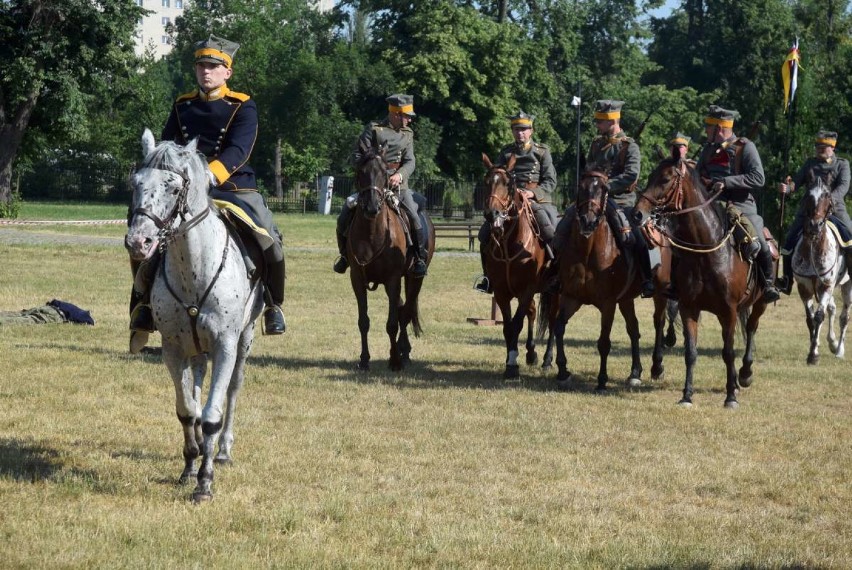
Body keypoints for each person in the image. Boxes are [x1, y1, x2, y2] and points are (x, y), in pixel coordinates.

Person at [128, 35, 286, 354]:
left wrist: (209, 175)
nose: (205, 72)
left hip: (231, 186)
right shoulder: (182, 104)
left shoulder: (242, 105)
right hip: (183, 191)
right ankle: (143, 305)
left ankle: (272, 305)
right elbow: (167, 147)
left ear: (227, 71)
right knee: (146, 233)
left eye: (214, 66)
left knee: (269, 238)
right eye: (201, 66)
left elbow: (240, 149)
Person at [551, 99, 654, 298]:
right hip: (593, 200)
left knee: (635, 236)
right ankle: (555, 274)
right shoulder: (597, 144)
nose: (597, 125)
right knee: (562, 228)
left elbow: (631, 175)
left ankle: (646, 279)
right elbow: (590, 169)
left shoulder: (629, 146)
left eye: (601, 121)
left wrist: (608, 185)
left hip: (620, 200)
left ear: (612, 121)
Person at [333, 94, 428, 277]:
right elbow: (356, 157)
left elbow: (410, 162)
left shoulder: (407, 134)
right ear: (396, 114)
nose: (409, 119)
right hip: (371, 185)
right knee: (344, 214)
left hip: (398, 186)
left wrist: (399, 175)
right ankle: (344, 257)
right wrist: (373, 161)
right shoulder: (374, 129)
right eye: (407, 116)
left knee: (414, 217)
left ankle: (419, 258)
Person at [696, 104, 780, 302]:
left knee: (758, 241)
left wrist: (726, 182)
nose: (705, 130)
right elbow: (698, 175)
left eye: (708, 126)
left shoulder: (745, 147)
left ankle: (768, 283)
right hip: (710, 204)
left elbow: (758, 178)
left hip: (741, 205)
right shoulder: (708, 150)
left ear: (719, 128)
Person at [473, 111, 558, 293]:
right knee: (484, 234)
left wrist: (532, 193)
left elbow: (551, 181)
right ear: (512, 131)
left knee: (550, 230)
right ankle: (488, 277)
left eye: (524, 129)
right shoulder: (506, 152)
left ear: (531, 130)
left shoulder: (542, 152)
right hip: (509, 199)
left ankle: (554, 275)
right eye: (517, 129)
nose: (520, 133)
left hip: (535, 199)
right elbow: (497, 176)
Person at [776, 130, 852, 294]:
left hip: (834, 210)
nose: (819, 149)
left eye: (823, 147)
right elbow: (795, 182)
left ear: (832, 147)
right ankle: (787, 280)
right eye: (817, 146)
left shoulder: (842, 164)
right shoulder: (810, 164)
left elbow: (843, 187)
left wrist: (827, 200)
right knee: (788, 242)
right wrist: (787, 188)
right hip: (808, 212)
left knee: (851, 238)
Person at [0, 300, 94, 326]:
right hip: (56, 315)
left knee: (21, 314)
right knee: (28, 320)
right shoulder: (85, 316)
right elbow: (89, 323)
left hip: (49, 307)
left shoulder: (72, 307)